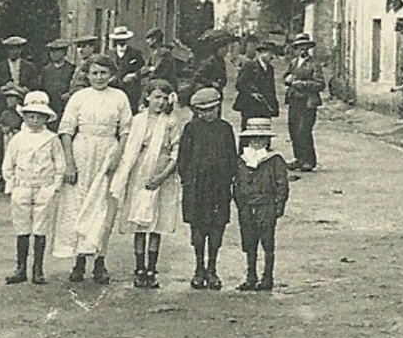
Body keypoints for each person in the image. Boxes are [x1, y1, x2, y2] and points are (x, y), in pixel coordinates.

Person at [52, 55, 132, 284]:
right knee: (79, 205)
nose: (99, 77)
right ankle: (79, 261)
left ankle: (100, 260)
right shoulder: (79, 97)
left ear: (112, 75)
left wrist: (118, 154)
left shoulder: (119, 97)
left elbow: (126, 129)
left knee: (104, 207)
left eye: (103, 73)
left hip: (108, 151)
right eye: (94, 73)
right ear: (87, 75)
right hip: (82, 152)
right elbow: (66, 130)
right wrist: (69, 162)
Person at [111, 78, 183, 289]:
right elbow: (129, 150)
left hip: (161, 173)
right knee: (140, 223)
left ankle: (152, 269)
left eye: (163, 98)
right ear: (147, 97)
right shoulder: (137, 120)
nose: (159, 102)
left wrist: (162, 176)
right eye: (156, 97)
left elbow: (176, 152)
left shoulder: (171, 122)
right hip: (139, 174)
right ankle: (139, 268)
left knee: (156, 223)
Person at [3, 91, 65, 285]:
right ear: (25, 116)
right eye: (31, 116)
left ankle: (38, 269)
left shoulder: (52, 139)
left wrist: (54, 187)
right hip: (22, 186)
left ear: (46, 118)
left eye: (40, 117)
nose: (35, 120)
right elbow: (8, 164)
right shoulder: (18, 139)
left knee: (40, 227)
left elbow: (59, 165)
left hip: (43, 187)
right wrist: (12, 184)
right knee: (22, 227)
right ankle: (20, 268)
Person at [176, 86, 235, 290]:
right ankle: (199, 268)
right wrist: (190, 180)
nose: (208, 114)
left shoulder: (225, 128)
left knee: (217, 228)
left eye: (212, 109)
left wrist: (228, 180)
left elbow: (231, 157)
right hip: (197, 186)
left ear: (218, 108)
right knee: (198, 229)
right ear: (196, 111)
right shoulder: (191, 129)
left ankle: (212, 269)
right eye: (203, 111)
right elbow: (183, 159)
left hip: (219, 186)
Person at [232, 117, 290, 292]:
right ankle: (251, 275)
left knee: (267, 241)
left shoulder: (274, 160)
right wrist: (240, 202)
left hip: (266, 205)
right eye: (254, 138)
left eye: (261, 138)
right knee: (249, 241)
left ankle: (268, 276)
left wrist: (279, 206)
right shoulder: (242, 159)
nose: (257, 142)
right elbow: (237, 183)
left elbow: (282, 184)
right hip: (247, 206)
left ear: (268, 140)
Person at [282, 33, 326, 172]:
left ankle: (309, 160)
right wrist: (287, 79)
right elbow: (287, 76)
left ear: (308, 47)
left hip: (308, 101)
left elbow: (320, 84)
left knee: (304, 130)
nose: (302, 49)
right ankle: (298, 159)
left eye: (305, 47)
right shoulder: (294, 62)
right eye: (299, 47)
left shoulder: (314, 64)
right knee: (293, 129)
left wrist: (304, 84)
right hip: (294, 100)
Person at [232, 33, 280, 128]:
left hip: (265, 106)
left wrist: (274, 106)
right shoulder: (250, 66)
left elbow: (271, 88)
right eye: (268, 53)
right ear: (260, 53)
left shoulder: (270, 69)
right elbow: (240, 84)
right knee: (248, 130)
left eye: (272, 53)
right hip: (249, 105)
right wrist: (252, 94)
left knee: (264, 130)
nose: (271, 56)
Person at [0, 82, 25, 193]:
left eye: (12, 98)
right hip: (7, 140)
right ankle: (4, 178)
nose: (9, 100)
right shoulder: (5, 113)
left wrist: (18, 131)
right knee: (5, 156)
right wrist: (3, 128)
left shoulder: (22, 113)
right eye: (8, 98)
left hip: (18, 141)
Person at [109, 26, 147, 111]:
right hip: (113, 89)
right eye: (119, 39)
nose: (121, 41)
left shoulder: (135, 53)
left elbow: (143, 69)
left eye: (123, 39)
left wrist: (134, 75)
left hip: (130, 91)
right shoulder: (109, 54)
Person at [38, 38, 75, 125]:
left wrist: (69, 94)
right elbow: (41, 87)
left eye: (56, 51)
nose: (53, 54)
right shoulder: (46, 70)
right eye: (51, 51)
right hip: (50, 105)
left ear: (64, 52)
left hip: (65, 106)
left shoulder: (71, 68)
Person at [141, 28, 182, 94]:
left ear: (154, 39)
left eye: (148, 39)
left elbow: (159, 72)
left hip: (166, 86)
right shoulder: (153, 53)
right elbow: (144, 69)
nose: (147, 41)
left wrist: (149, 70)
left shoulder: (165, 53)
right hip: (156, 83)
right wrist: (149, 69)